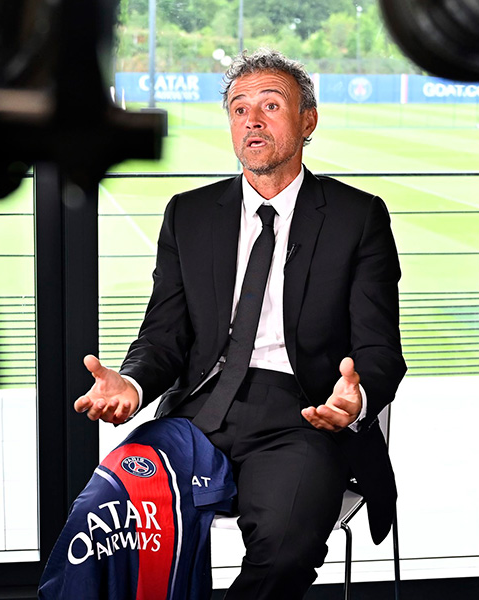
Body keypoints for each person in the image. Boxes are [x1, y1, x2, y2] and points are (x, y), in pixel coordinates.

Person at [74, 48, 406, 599]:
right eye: (238, 108)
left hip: (302, 416)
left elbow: (380, 350)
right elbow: (164, 335)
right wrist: (131, 385)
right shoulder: (189, 213)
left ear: (308, 121)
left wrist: (358, 397)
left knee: (282, 553)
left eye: (271, 105)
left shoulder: (358, 216)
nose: (251, 119)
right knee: (101, 520)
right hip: (195, 412)